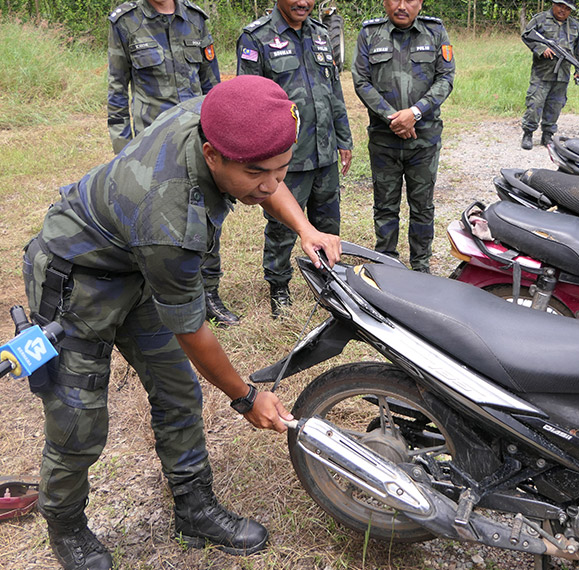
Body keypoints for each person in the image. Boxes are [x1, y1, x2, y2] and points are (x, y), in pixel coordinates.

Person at [22, 76, 341, 570]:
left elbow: (265, 172)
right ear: (212, 155)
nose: (271, 185)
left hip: (138, 266)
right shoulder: (170, 219)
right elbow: (191, 330)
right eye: (256, 173)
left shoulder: (224, 116)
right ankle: (65, 525)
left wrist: (305, 228)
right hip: (76, 278)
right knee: (77, 418)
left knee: (177, 391)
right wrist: (246, 397)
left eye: (283, 169)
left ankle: (194, 511)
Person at [107, 0, 242, 327]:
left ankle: (209, 293)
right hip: (154, 144)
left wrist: (222, 135)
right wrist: (125, 153)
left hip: (199, 137)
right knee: (157, 220)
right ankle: (159, 296)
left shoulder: (195, 20)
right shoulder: (125, 22)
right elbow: (117, 91)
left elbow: (212, 85)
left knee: (208, 214)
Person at [237, 0, 353, 316]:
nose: (303, 2)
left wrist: (343, 137)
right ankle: (279, 286)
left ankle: (330, 280)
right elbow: (249, 101)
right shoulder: (257, 37)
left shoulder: (321, 33)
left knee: (328, 219)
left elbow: (334, 90)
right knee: (282, 225)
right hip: (285, 156)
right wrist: (261, 154)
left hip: (324, 149)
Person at [352, 0, 455, 273]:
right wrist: (393, 117)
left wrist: (415, 112)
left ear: (420, 3)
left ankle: (421, 266)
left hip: (424, 141)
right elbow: (361, 80)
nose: (401, 6)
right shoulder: (370, 34)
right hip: (384, 140)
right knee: (385, 206)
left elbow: (446, 78)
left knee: (422, 206)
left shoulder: (435, 32)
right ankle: (386, 263)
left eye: (409, 0)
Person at [520, 0, 579, 150]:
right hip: (542, 72)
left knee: (555, 105)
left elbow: (578, 49)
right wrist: (541, 48)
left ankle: (547, 135)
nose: (563, 10)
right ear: (554, 4)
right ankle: (528, 133)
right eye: (560, 6)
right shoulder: (541, 19)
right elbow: (526, 35)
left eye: (567, 8)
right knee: (535, 103)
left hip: (563, 73)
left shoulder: (574, 25)